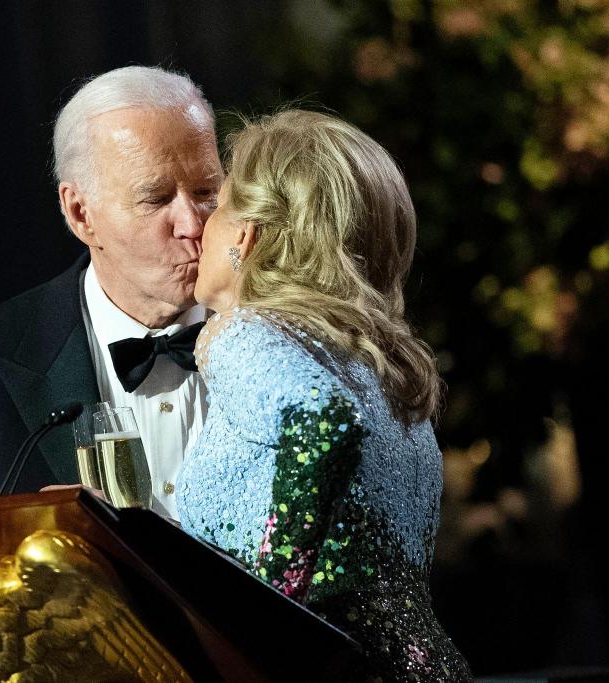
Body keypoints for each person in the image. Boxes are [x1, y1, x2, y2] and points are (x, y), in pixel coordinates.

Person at [0, 65, 222, 678]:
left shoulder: (288, 338)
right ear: (80, 213)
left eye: (206, 191)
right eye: (155, 198)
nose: (192, 224)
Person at [175, 109, 473, 681]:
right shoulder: (384, 366)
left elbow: (322, 419)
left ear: (244, 235)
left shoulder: (244, 333)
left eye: (217, 206)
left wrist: (270, 609)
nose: (199, 227)